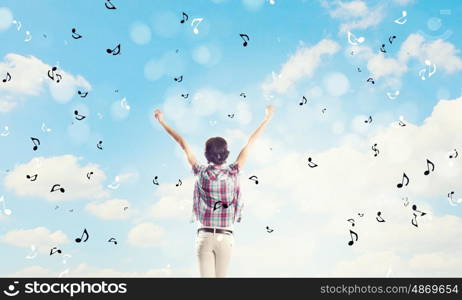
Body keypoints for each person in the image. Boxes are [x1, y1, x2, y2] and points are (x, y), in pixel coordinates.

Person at [153, 105, 275, 277]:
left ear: (206, 154)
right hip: (225, 237)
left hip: (204, 236)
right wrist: (267, 118)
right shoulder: (234, 172)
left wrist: (161, 121)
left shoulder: (200, 172)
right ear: (226, 154)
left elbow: (182, 142)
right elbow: (251, 142)